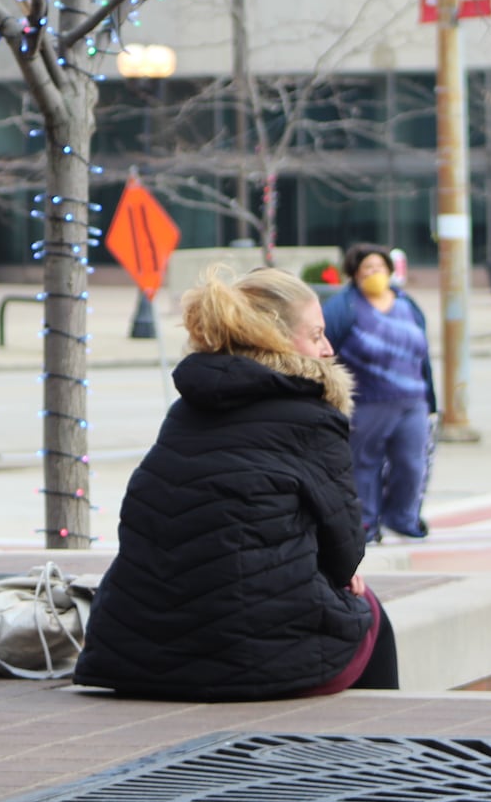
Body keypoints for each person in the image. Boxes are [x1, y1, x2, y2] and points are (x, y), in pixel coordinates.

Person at [74, 266, 399, 701]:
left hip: (133, 653)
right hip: (256, 660)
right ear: (278, 339)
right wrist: (342, 576)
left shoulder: (185, 411)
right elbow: (345, 553)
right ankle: (377, 748)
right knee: (372, 616)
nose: (328, 348)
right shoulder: (314, 418)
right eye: (316, 334)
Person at [321, 243, 437, 542]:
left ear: (389, 270)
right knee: (364, 465)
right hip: (366, 401)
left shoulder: (407, 305)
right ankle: (366, 522)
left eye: (379, 268)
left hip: (412, 400)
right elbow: (325, 352)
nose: (374, 273)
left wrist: (431, 400)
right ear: (355, 274)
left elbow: (422, 356)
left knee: (412, 464)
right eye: (366, 269)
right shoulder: (343, 307)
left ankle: (403, 517)